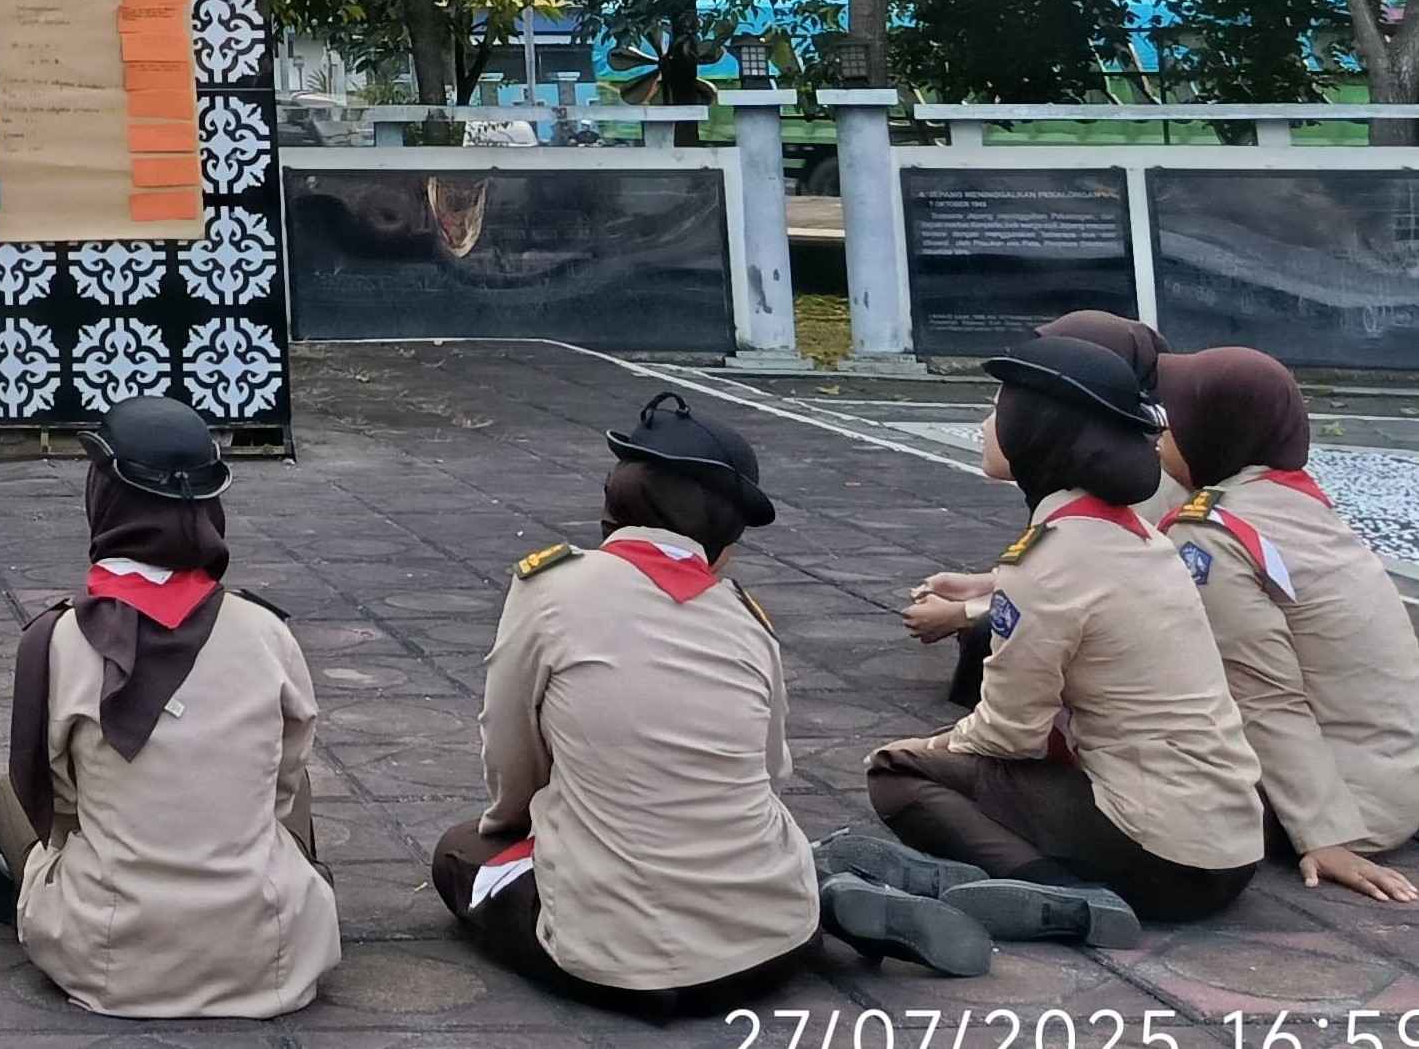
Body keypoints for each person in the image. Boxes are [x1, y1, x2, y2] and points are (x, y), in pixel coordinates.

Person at [438, 391, 990, 1006]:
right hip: (770, 950)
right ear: (725, 536)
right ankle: (814, 890)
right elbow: (769, 771)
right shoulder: (745, 620)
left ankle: (810, 888)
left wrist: (520, 828)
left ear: (612, 505)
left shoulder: (548, 590)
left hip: (616, 964)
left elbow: (511, 752)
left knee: (461, 855)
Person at [850, 337, 1266, 938]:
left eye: (999, 410)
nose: (987, 424)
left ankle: (1060, 896)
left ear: (1039, 429)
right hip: (1230, 846)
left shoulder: (1049, 556)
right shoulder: (1141, 537)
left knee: (895, 773)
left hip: (1168, 860)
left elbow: (1011, 734)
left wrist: (930, 746)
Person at [0, 396, 337, 1019]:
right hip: (267, 955)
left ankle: (33, 899)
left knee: (10, 796)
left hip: (113, 959)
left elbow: (54, 804)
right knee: (279, 786)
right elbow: (284, 784)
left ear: (102, 498)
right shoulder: (268, 633)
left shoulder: (58, 641)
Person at [1153, 346, 1419, 903]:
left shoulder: (1211, 536)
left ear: (1215, 430)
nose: (1160, 434)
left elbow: (1264, 693)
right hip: (1397, 776)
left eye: (1173, 420)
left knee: (1110, 774)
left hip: (1348, 803)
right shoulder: (1286, 497)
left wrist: (1326, 835)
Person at [905, 309, 1181, 699]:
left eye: (1006, 408)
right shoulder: (1091, 485)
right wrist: (986, 585)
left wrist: (964, 614)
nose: (991, 423)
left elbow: (1085, 599)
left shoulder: (1140, 497)